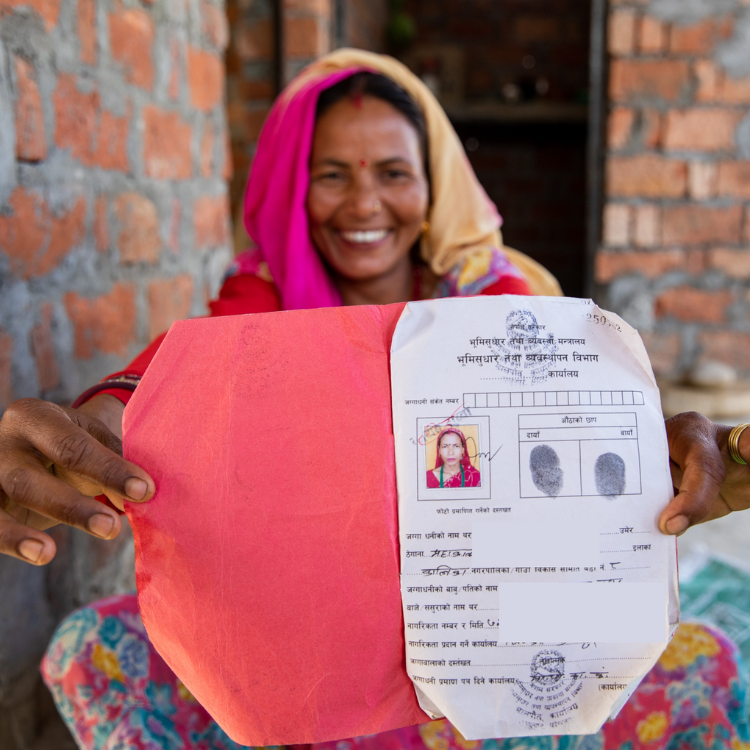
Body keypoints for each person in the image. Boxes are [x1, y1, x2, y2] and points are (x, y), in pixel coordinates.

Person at [0, 49, 749, 750]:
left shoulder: (500, 303)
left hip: (484, 636)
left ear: (433, 186)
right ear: (295, 187)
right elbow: (167, 380)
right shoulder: (261, 305)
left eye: (393, 172)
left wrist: (658, 455)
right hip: (311, 629)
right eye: (331, 175)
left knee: (702, 661)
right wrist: (96, 421)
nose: (365, 201)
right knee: (90, 652)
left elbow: (566, 442)